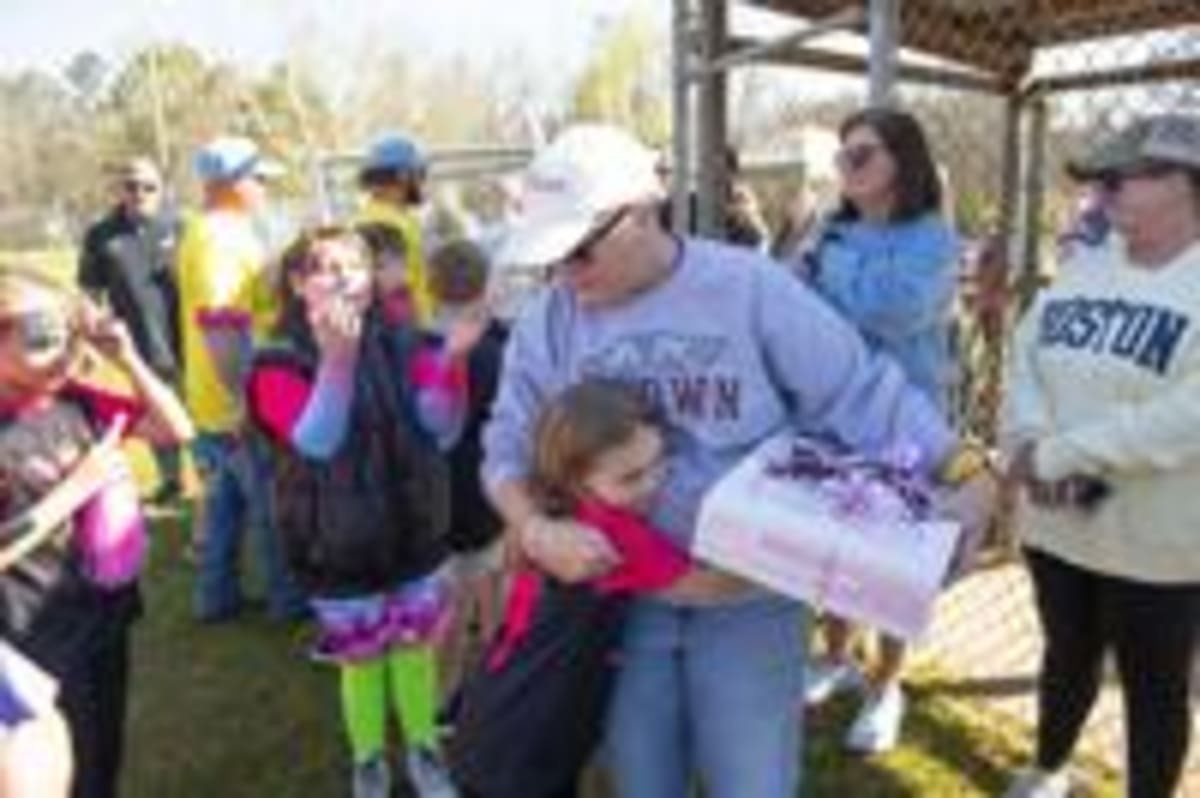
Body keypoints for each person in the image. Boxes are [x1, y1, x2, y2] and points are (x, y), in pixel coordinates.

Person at [482, 123, 995, 797]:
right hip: (623, 598)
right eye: (552, 258)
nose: (565, 273)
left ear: (641, 211)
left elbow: (858, 389)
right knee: (642, 775)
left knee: (750, 778)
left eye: (579, 250)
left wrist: (965, 471)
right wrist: (533, 528)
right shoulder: (553, 318)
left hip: (751, 593)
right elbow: (506, 442)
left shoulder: (746, 286)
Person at [245, 225, 483, 798]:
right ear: (299, 283)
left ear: (371, 280)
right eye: (324, 267)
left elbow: (442, 428)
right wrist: (338, 361)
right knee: (363, 660)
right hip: (336, 543)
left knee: (412, 649)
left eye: (354, 265)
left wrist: (450, 362)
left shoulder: (407, 343)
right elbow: (317, 441)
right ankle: (370, 761)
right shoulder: (274, 361)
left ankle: (425, 750)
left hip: (412, 534)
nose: (342, 277)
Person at [1001, 113, 1200, 798]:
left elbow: (1184, 419)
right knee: (1067, 655)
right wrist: (1027, 439)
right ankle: (1050, 768)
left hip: (1157, 539)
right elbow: (1027, 351)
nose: (1101, 193)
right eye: (1098, 181)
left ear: (1185, 183)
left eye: (1119, 178)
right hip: (1059, 521)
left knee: (1154, 688)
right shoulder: (1087, 264)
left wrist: (1057, 454)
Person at [798, 108, 960, 754]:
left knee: (892, 561)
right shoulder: (831, 232)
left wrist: (831, 264)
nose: (847, 167)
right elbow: (794, 304)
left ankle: (886, 685)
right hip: (830, 414)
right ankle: (836, 657)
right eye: (843, 157)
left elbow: (891, 311)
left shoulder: (931, 238)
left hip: (905, 421)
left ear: (902, 161)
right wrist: (827, 260)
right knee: (835, 549)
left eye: (861, 155)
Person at [0, 263, 193, 798]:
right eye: (42, 337)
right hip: (27, 638)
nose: (62, 352)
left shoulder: (78, 401)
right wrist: (74, 490)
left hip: (99, 620)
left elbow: (175, 429)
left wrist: (125, 356)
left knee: (101, 759)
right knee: (45, 772)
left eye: (69, 334)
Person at [451, 379, 689, 798]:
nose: (653, 483)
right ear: (579, 481)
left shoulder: (547, 506)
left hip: (496, 711)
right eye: (631, 477)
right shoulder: (611, 535)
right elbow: (702, 587)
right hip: (531, 736)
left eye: (660, 462)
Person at [177, 135, 305, 623]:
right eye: (257, 178)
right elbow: (222, 324)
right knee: (271, 507)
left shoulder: (208, 229)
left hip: (215, 396)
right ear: (230, 183)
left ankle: (216, 597)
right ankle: (287, 600)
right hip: (234, 399)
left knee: (225, 504)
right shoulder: (220, 237)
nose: (264, 188)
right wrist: (243, 405)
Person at [77, 157, 184, 502]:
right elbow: (89, 291)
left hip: (188, 342)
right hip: (140, 346)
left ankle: (213, 480)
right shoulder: (100, 235)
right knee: (155, 411)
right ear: (120, 190)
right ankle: (172, 480)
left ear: (161, 188)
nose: (139, 193)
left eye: (148, 186)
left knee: (199, 414)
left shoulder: (181, 225)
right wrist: (90, 335)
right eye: (131, 186)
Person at [426, 239, 508, 673]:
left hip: (437, 487)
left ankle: (485, 661)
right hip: (474, 489)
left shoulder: (421, 341)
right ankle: (445, 694)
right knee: (463, 594)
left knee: (472, 583)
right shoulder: (487, 352)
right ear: (486, 286)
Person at [357, 133, 437, 325]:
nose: (422, 184)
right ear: (403, 176)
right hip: (403, 336)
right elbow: (392, 293)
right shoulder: (383, 224)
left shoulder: (398, 218)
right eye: (420, 175)